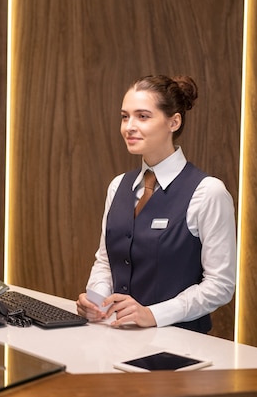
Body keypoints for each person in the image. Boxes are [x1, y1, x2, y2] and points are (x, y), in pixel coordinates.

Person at [76, 75, 236, 333]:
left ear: (174, 121)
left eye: (142, 116)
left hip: (179, 345)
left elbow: (220, 285)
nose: (129, 126)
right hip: (113, 339)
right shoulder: (118, 186)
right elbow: (106, 261)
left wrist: (154, 314)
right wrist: (95, 301)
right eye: (124, 116)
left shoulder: (208, 192)